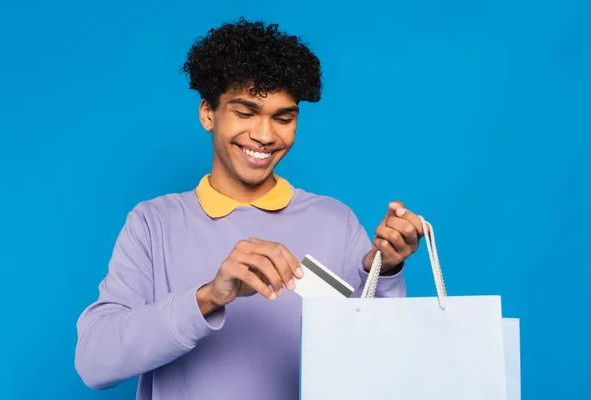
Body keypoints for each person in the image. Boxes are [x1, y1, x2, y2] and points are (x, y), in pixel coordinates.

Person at [74, 17, 425, 400]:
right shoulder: (153, 224)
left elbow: (377, 360)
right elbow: (94, 363)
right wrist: (209, 297)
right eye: (245, 113)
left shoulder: (335, 221)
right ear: (208, 113)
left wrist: (385, 269)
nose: (264, 135)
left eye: (283, 117)